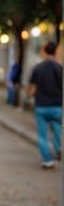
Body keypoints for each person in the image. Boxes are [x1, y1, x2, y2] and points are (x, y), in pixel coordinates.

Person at [27, 40, 62, 169]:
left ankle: (47, 160)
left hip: (41, 106)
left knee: (42, 135)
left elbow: (32, 89)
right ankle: (59, 149)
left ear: (45, 52)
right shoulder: (60, 68)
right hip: (58, 106)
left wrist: (29, 96)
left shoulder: (38, 68)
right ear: (55, 52)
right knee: (58, 130)